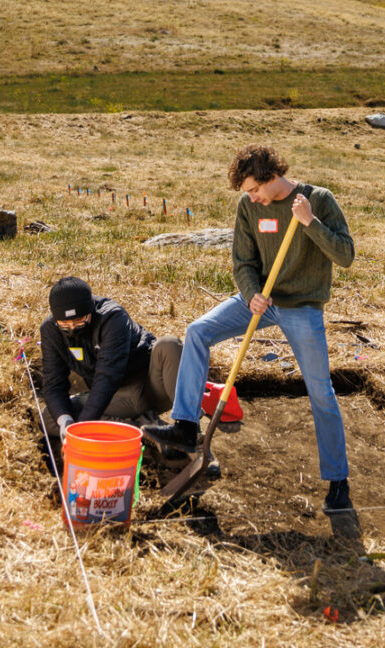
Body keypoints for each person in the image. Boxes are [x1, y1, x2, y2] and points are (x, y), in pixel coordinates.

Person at [143, 144, 355, 514]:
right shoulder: (248, 208)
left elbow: (345, 255)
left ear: (272, 176)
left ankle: (338, 481)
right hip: (259, 300)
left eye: (254, 190)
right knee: (197, 332)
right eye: (247, 193)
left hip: (301, 306)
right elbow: (242, 260)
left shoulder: (317, 200)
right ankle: (186, 426)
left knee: (320, 391)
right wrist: (251, 293)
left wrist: (310, 223)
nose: (252, 199)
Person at [39, 277, 182, 445]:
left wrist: (83, 425)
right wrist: (65, 421)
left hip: (151, 387)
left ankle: (188, 428)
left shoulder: (112, 317)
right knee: (51, 417)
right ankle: (144, 429)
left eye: (79, 321)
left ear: (90, 310)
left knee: (169, 344)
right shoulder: (50, 330)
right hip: (116, 399)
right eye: (64, 324)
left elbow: (107, 376)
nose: (72, 328)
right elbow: (53, 383)